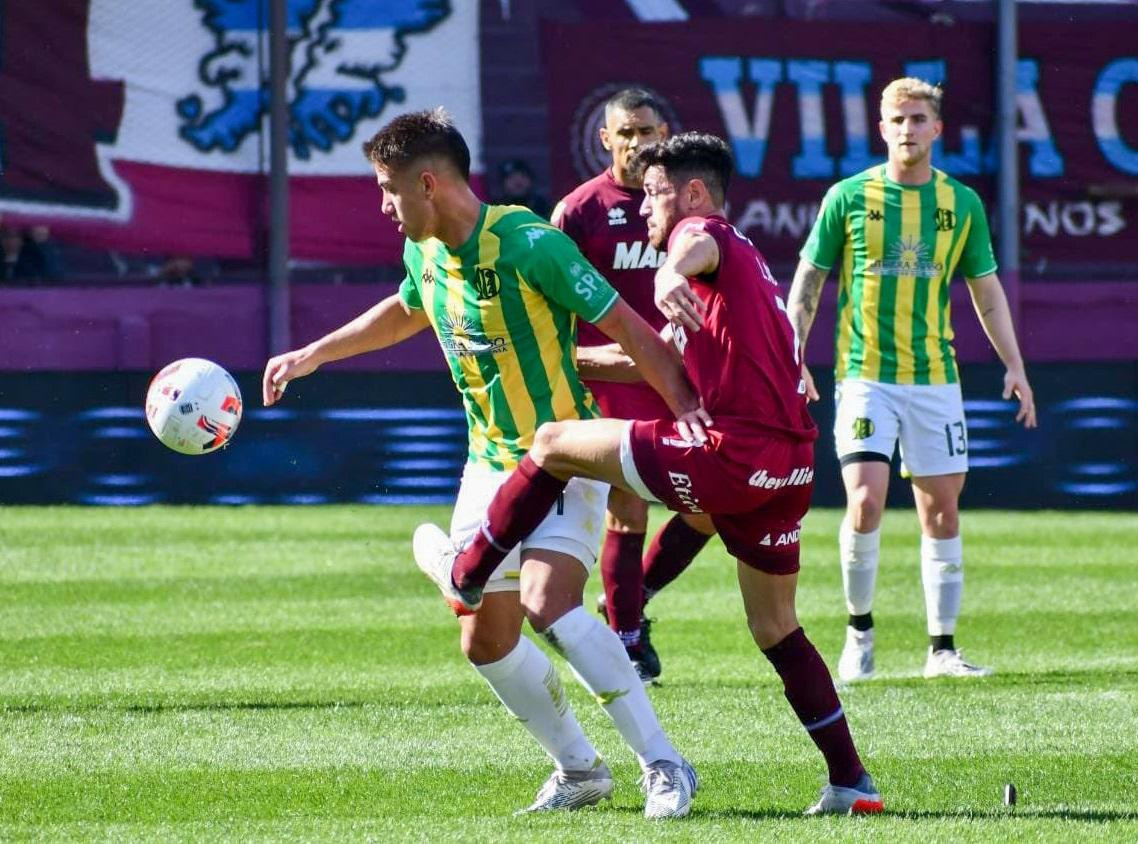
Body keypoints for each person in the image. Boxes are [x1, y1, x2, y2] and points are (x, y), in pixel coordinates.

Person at [414, 132, 884, 816]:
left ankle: (469, 570)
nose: (645, 209)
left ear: (693, 192)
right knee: (776, 627)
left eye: (656, 193)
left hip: (733, 453)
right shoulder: (746, 265)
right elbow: (652, 358)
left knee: (551, 442)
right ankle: (852, 782)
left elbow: (691, 247)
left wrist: (667, 276)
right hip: (790, 468)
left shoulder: (699, 234)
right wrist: (560, 360)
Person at [262, 108, 701, 819]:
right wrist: (314, 354)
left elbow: (628, 326)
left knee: (546, 602)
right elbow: (408, 311)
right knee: (484, 638)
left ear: (428, 183)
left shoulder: (531, 244)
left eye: (387, 188)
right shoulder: (425, 250)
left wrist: (689, 412)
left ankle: (663, 763)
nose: (382, 205)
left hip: (562, 453)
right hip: (489, 464)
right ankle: (581, 769)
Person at [787, 77, 1037, 683]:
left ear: (937, 128)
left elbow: (986, 291)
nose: (907, 129)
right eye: (897, 120)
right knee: (865, 499)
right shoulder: (848, 196)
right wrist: (793, 357)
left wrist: (1015, 365)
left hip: (935, 379)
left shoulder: (962, 204)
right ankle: (859, 633)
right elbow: (809, 282)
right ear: (881, 128)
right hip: (864, 374)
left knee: (941, 513)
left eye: (918, 119)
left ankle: (942, 649)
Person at [553, 87, 713, 685]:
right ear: (606, 139)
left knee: (710, 510)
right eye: (626, 134)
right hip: (611, 380)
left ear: (664, 133)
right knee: (628, 506)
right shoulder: (578, 211)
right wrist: (588, 365)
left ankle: (629, 599)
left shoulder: (688, 209)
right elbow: (552, 316)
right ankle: (627, 641)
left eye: (648, 133)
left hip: (678, 378)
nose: (638, 144)